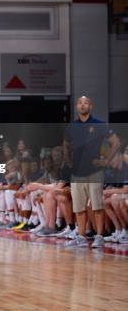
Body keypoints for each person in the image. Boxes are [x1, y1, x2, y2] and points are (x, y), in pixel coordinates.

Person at [64, 96, 120, 249]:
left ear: (91, 106)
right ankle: (81, 236)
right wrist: (68, 159)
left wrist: (106, 160)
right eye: (80, 103)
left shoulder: (100, 125)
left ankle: (100, 236)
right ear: (77, 106)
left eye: (86, 103)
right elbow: (66, 144)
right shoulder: (72, 126)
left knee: (96, 205)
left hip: (94, 171)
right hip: (77, 172)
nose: (83, 105)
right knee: (79, 207)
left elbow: (116, 142)